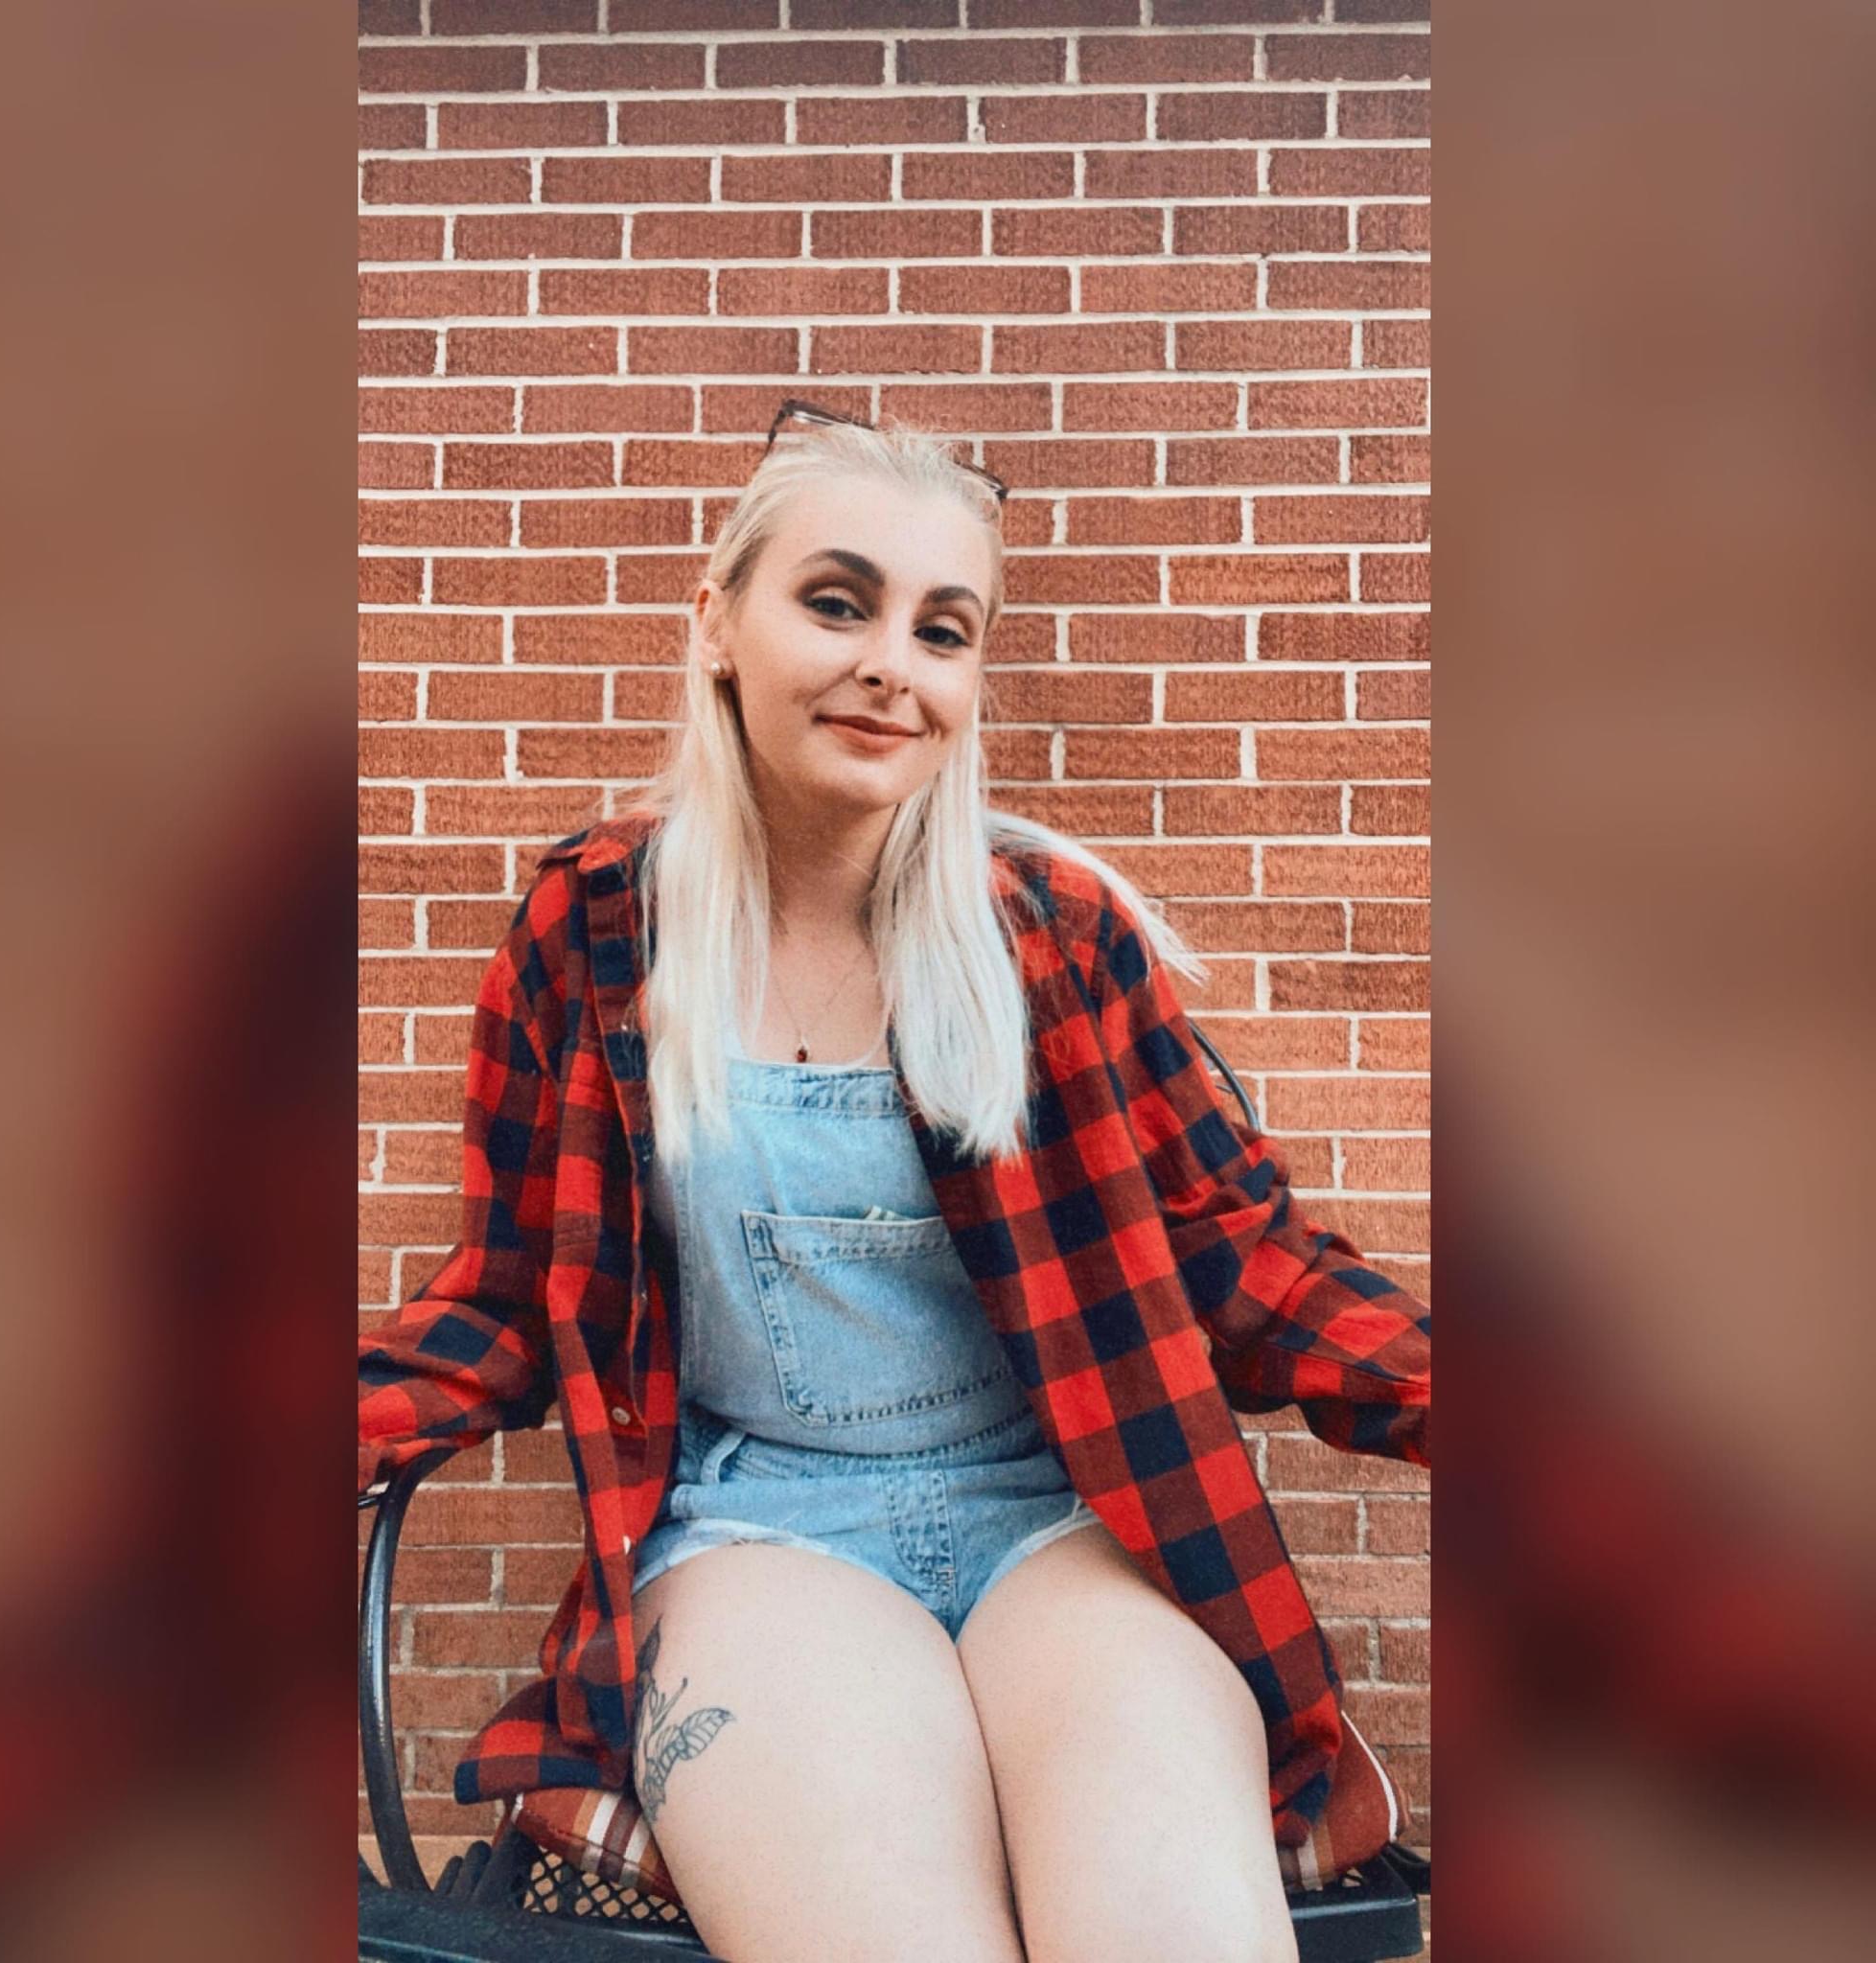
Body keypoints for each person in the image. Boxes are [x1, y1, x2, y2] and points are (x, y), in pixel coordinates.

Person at [359, 402, 1430, 1963]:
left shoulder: (1051, 940)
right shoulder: (592, 936)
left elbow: (1245, 1264)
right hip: (758, 1539)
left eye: (942, 629)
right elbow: (512, 1303)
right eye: (837, 602)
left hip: (1064, 1525)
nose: (891, 665)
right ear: (718, 625)